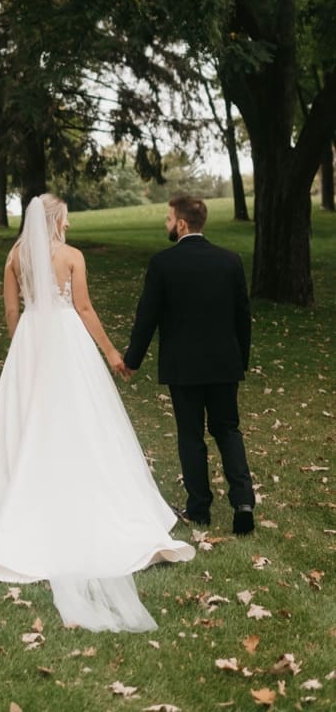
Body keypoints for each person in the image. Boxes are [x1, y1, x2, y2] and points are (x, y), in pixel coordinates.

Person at [0, 194, 193, 631]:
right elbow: (83, 308)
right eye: (65, 218)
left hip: (31, 337)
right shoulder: (72, 257)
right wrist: (112, 353)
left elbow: (11, 309)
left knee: (24, 416)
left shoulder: (14, 257)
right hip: (66, 340)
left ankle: (7, 489)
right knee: (79, 414)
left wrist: (22, 345)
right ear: (55, 221)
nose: (68, 224)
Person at [124, 195, 255, 535]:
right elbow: (243, 316)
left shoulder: (163, 263)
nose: (167, 224)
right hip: (224, 363)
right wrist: (239, 360)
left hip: (183, 367)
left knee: (191, 435)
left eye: (169, 219)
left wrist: (132, 360)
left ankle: (199, 509)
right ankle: (243, 502)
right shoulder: (230, 261)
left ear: (182, 224)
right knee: (228, 430)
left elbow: (147, 317)